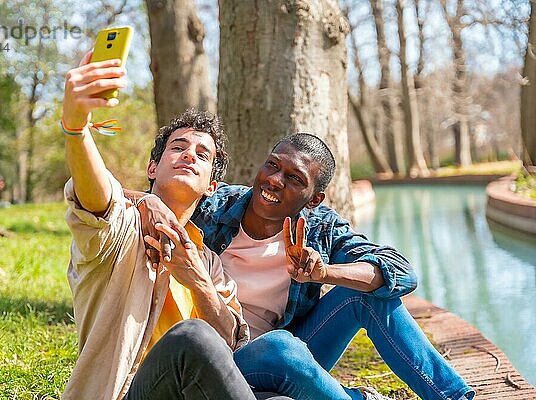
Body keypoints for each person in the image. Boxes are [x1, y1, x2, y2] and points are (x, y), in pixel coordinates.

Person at [140, 133, 475, 400]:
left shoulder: (320, 229)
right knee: (280, 345)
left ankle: (453, 397)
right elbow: (116, 199)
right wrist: (149, 201)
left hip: (292, 354)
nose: (274, 180)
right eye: (272, 166)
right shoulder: (214, 205)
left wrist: (325, 273)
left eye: (294, 178)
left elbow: (400, 272)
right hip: (214, 356)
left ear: (314, 198)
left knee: (365, 298)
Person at [60, 51, 257, 400]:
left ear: (212, 185)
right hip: (125, 393)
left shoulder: (208, 262)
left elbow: (233, 345)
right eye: (178, 147)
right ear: (153, 168)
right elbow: (96, 193)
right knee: (191, 338)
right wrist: (76, 127)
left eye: (202, 154)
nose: (188, 155)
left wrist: (198, 282)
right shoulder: (122, 227)